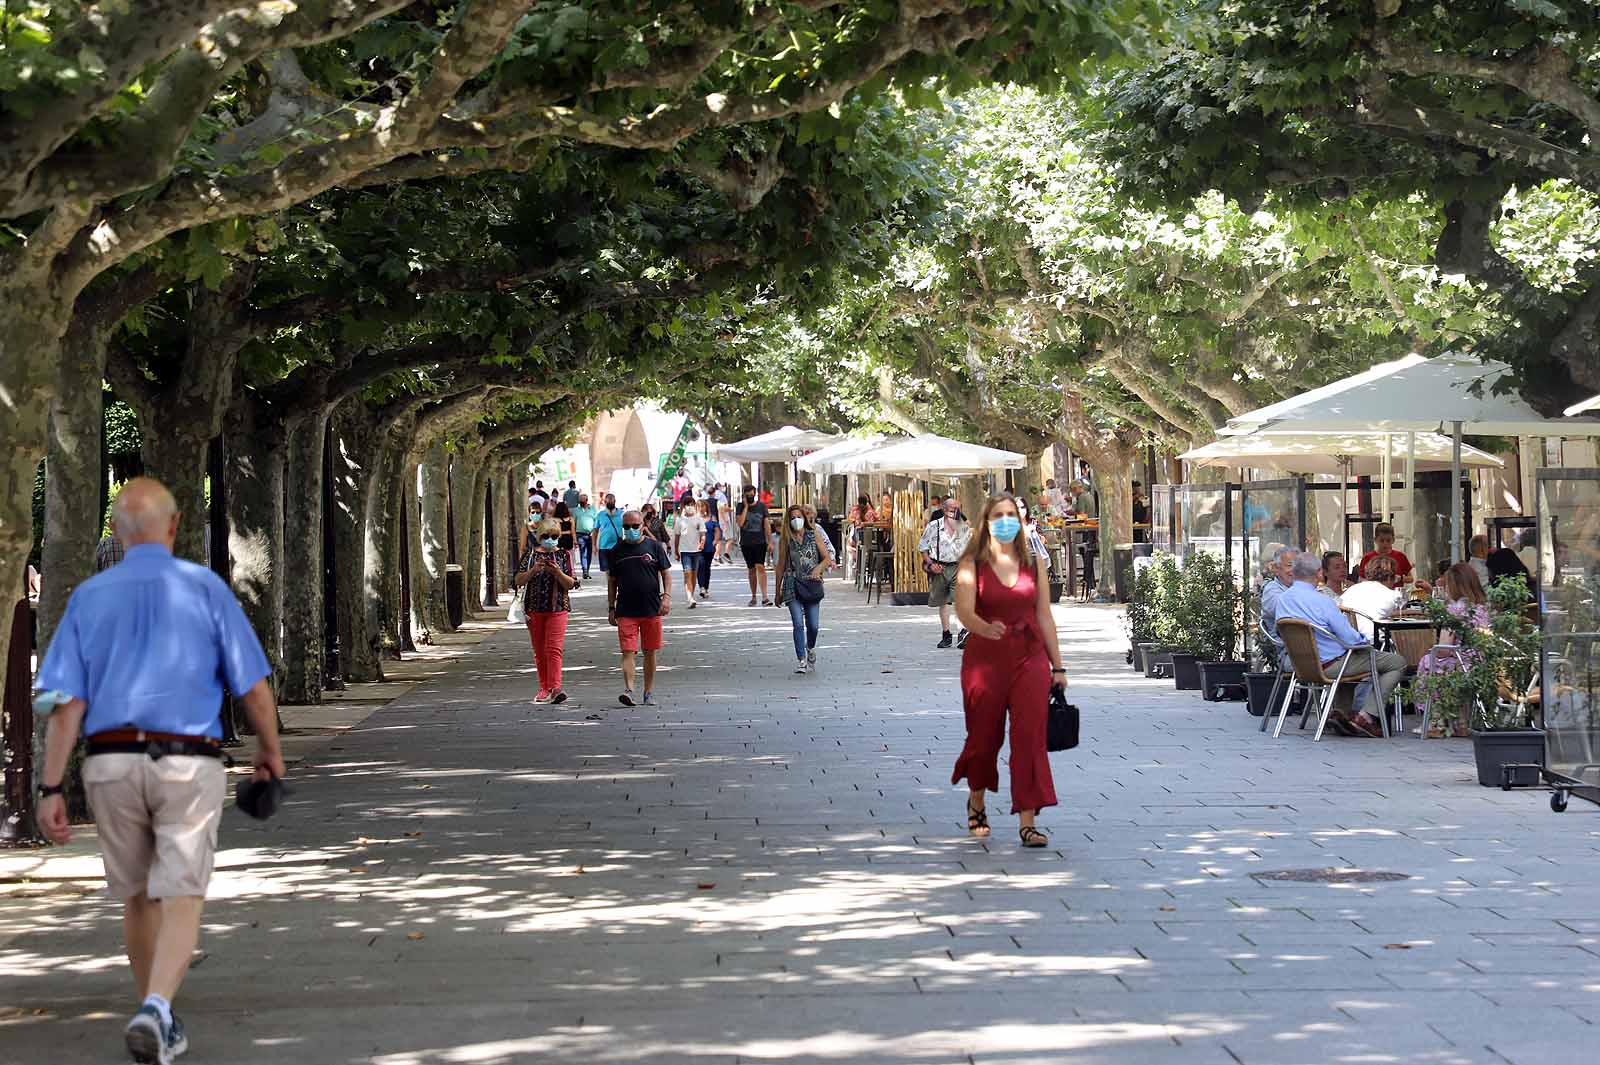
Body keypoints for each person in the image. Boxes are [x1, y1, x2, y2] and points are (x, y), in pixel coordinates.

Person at [32, 478, 284, 1064]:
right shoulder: (205, 589)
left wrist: (48, 786)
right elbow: (252, 686)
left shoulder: (89, 598)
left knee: (138, 895)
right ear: (174, 528)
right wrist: (269, 750)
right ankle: (157, 1009)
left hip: (110, 761)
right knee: (184, 890)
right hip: (186, 761)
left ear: (117, 532)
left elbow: (66, 704)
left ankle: (154, 1007)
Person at [951, 493, 1067, 848]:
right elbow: (964, 611)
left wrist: (1058, 666)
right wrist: (984, 628)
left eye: (1011, 514)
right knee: (984, 738)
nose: (1005, 520)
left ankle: (1027, 821)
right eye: (998, 515)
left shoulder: (1034, 562)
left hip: (1029, 658)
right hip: (985, 661)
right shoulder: (972, 562)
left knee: (1029, 738)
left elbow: (1044, 614)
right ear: (986, 522)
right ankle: (977, 799)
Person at [1277, 552, 1404, 738]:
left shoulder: (1283, 600)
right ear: (1319, 573)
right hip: (1330, 665)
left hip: (1301, 666)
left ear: (1294, 572)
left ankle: (1340, 713)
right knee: (1396, 662)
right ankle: (1366, 716)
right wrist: (1364, 641)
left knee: (1349, 660)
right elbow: (1350, 638)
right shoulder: (1324, 602)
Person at [607, 509, 672, 706]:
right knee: (628, 651)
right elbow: (612, 581)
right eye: (626, 526)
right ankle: (629, 690)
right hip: (626, 610)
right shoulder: (616, 551)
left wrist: (667, 598)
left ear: (642, 526)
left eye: (635, 526)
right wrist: (611, 607)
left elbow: (666, 574)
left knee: (650, 651)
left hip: (652, 608)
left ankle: (648, 692)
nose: (631, 529)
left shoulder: (654, 547)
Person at [515, 517, 575, 704]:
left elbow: (571, 583)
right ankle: (545, 688)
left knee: (554, 648)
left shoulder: (564, 555)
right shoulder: (530, 555)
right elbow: (517, 581)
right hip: (534, 609)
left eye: (555, 536)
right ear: (539, 536)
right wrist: (533, 571)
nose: (551, 539)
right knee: (540, 650)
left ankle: (556, 688)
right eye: (546, 536)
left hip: (558, 608)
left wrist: (557, 572)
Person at [776, 503, 835, 673]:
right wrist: (777, 591)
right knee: (797, 623)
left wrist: (818, 569)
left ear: (805, 518)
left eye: (799, 517)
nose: (796, 520)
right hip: (791, 584)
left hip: (811, 584)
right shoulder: (786, 539)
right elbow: (780, 565)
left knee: (813, 625)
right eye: (793, 518)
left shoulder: (813, 534)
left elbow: (826, 558)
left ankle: (810, 647)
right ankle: (801, 659)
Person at [920, 496, 972, 649]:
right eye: (951, 509)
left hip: (958, 567)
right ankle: (946, 634)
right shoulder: (933, 526)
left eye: (957, 509)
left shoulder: (962, 527)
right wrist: (931, 563)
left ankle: (963, 632)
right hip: (940, 567)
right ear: (944, 510)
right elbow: (922, 547)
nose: (955, 513)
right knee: (943, 602)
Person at [1339, 554, 1406, 640]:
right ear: (1391, 577)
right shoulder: (1391, 595)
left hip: (1349, 641)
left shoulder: (1352, 590)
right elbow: (1401, 612)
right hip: (1376, 641)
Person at [737, 486, 773, 606]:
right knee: (751, 569)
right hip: (746, 542)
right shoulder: (740, 506)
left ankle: (765, 596)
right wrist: (746, 507)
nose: (750, 497)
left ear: (755, 494)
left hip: (759, 541)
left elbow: (766, 525)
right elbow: (740, 523)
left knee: (760, 566)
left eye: (751, 495)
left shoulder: (762, 507)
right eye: (747, 495)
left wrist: (770, 541)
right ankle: (753, 596)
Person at [673, 494, 706, 608]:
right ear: (683, 506)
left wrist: (702, 543)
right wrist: (676, 551)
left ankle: (691, 595)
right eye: (687, 505)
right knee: (687, 574)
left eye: (692, 504)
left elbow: (703, 533)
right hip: (685, 551)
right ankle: (690, 598)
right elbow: (677, 536)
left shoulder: (699, 519)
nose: (690, 507)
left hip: (696, 551)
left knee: (693, 575)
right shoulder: (679, 520)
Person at [1259, 546, 1297, 639]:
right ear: (1276, 568)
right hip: (1289, 647)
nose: (1294, 570)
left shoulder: (1300, 588)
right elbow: (1286, 610)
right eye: (1289, 565)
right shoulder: (1271, 589)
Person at [551, 499, 579, 589]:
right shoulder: (571, 519)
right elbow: (573, 532)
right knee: (569, 557)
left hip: (559, 539)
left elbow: (554, 531)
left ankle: (560, 572)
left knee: (557, 557)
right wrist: (575, 541)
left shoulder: (554, 520)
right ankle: (571, 574)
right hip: (568, 539)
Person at [594, 492, 625, 574]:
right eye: (608, 502)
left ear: (615, 501)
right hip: (604, 546)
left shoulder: (621, 514)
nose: (610, 503)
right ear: (605, 502)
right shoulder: (600, 515)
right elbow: (595, 530)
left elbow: (627, 528)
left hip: (618, 546)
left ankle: (617, 585)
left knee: (618, 569)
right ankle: (610, 586)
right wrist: (594, 545)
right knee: (607, 571)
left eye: (612, 501)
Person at [695, 499, 716, 597]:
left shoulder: (712, 518)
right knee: (700, 565)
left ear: (706, 507)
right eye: (699, 506)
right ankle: (702, 587)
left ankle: (706, 587)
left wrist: (715, 541)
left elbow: (717, 530)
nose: (701, 508)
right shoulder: (694, 519)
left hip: (709, 547)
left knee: (707, 567)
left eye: (703, 506)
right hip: (697, 547)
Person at [573, 492, 597, 580]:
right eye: (580, 501)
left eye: (582, 501)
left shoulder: (593, 509)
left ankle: (587, 569)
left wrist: (594, 532)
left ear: (586, 501)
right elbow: (573, 524)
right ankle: (585, 571)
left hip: (590, 534)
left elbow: (596, 522)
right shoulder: (576, 510)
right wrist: (574, 537)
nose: (581, 502)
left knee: (589, 553)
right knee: (583, 553)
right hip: (580, 534)